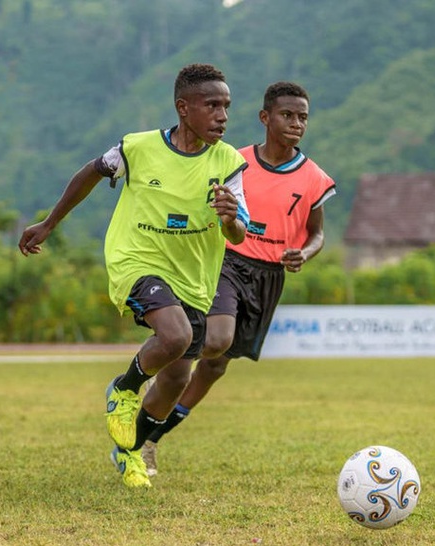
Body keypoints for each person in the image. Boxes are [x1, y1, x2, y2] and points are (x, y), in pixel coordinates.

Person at [18, 63, 249, 488]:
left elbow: (239, 231)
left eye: (227, 106)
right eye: (212, 105)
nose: (223, 115)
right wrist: (50, 223)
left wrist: (231, 218)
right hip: (137, 262)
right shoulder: (137, 148)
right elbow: (91, 172)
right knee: (175, 336)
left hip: (195, 279)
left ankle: (129, 452)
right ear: (184, 108)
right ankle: (124, 389)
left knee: (177, 377)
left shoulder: (229, 162)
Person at [140, 81, 336, 476]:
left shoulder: (314, 177)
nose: (296, 123)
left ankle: (150, 437)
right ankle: (159, 362)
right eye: (287, 115)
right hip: (227, 260)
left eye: (302, 117)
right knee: (215, 339)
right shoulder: (234, 162)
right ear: (265, 118)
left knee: (215, 366)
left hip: (269, 276)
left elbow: (317, 232)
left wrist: (306, 252)